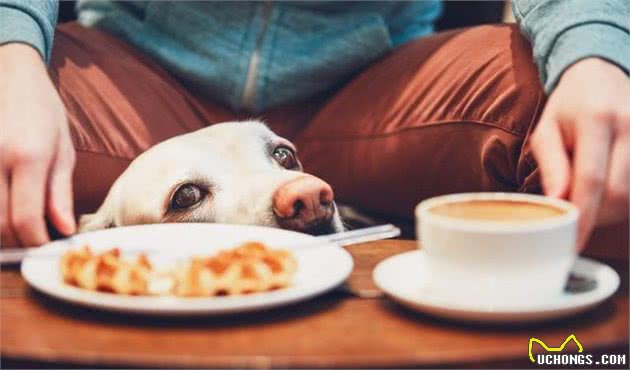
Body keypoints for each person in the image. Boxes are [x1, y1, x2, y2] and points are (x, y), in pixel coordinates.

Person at [1, 1, 628, 250]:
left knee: (569, 111)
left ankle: (569, 350)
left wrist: (595, 53)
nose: (302, 192)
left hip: (372, 86)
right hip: (135, 78)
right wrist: (9, 50)